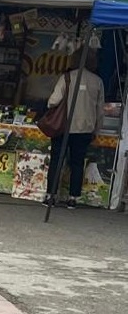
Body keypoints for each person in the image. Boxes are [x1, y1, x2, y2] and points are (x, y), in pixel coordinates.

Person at [44, 52, 105, 209]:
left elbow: (53, 101)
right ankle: (73, 198)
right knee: (77, 163)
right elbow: (100, 110)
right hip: (85, 129)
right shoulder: (98, 82)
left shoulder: (66, 77)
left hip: (63, 127)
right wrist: (97, 129)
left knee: (57, 160)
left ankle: (51, 195)